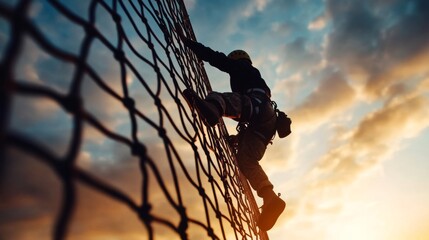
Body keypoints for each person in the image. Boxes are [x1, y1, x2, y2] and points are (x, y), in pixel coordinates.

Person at [177, 28, 285, 231]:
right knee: (247, 160)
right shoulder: (255, 77)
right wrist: (238, 139)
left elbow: (216, 59)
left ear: (238, 60)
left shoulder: (243, 69)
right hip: (265, 122)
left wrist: (190, 44)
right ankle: (270, 198)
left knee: (221, 99)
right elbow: (255, 121)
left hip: (257, 105)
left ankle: (212, 108)